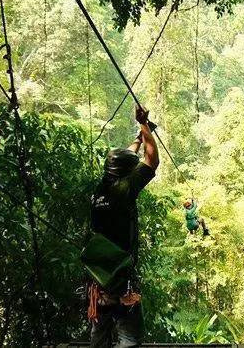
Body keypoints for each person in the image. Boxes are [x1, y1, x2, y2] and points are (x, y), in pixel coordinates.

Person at [88, 105, 159, 348]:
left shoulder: (103, 186)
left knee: (100, 332)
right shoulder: (125, 191)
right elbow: (152, 159)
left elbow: (126, 157)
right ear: (128, 174)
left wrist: (138, 140)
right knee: (130, 337)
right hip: (120, 277)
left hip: (99, 276)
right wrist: (144, 124)